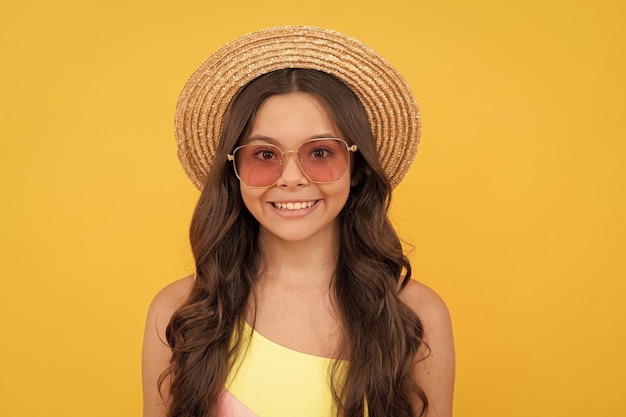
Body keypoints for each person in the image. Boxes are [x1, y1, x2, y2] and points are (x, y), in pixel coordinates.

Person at [142, 26, 454, 417]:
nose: (292, 178)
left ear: (356, 168)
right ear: (235, 171)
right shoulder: (179, 311)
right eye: (265, 154)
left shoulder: (417, 314)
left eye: (320, 152)